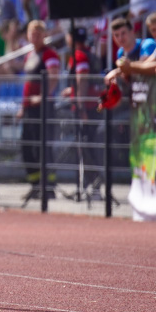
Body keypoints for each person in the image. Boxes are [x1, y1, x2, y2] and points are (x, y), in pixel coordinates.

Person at [17, 20, 60, 200]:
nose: (34, 37)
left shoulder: (49, 54)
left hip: (43, 107)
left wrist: (43, 96)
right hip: (29, 108)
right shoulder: (30, 55)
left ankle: (48, 187)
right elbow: (28, 84)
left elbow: (54, 77)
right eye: (31, 33)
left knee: (43, 147)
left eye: (37, 34)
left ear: (44, 35)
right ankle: (35, 185)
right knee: (27, 146)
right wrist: (23, 106)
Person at [60, 27, 102, 192]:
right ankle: (90, 183)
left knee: (86, 145)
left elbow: (83, 79)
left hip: (86, 108)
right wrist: (73, 91)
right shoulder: (88, 52)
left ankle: (93, 184)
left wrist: (81, 106)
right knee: (88, 144)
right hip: (92, 104)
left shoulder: (79, 55)